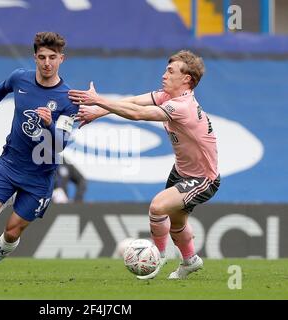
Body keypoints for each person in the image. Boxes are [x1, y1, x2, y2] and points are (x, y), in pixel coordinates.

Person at [69, 50, 220, 280]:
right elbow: (131, 101)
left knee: (158, 207)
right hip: (182, 171)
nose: (164, 75)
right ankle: (190, 260)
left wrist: (98, 100)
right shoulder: (167, 97)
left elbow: (139, 114)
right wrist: (98, 112)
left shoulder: (183, 107)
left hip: (203, 178)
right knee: (177, 221)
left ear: (186, 79)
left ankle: (155, 258)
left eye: (170, 71)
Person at [0, 31, 78, 281]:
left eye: (53, 57)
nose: (47, 63)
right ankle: (7, 195)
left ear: (61, 59)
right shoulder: (19, 79)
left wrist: (48, 125)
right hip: (10, 164)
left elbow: (60, 145)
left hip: (40, 176)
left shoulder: (68, 100)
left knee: (12, 231)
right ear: (35, 57)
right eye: (42, 57)